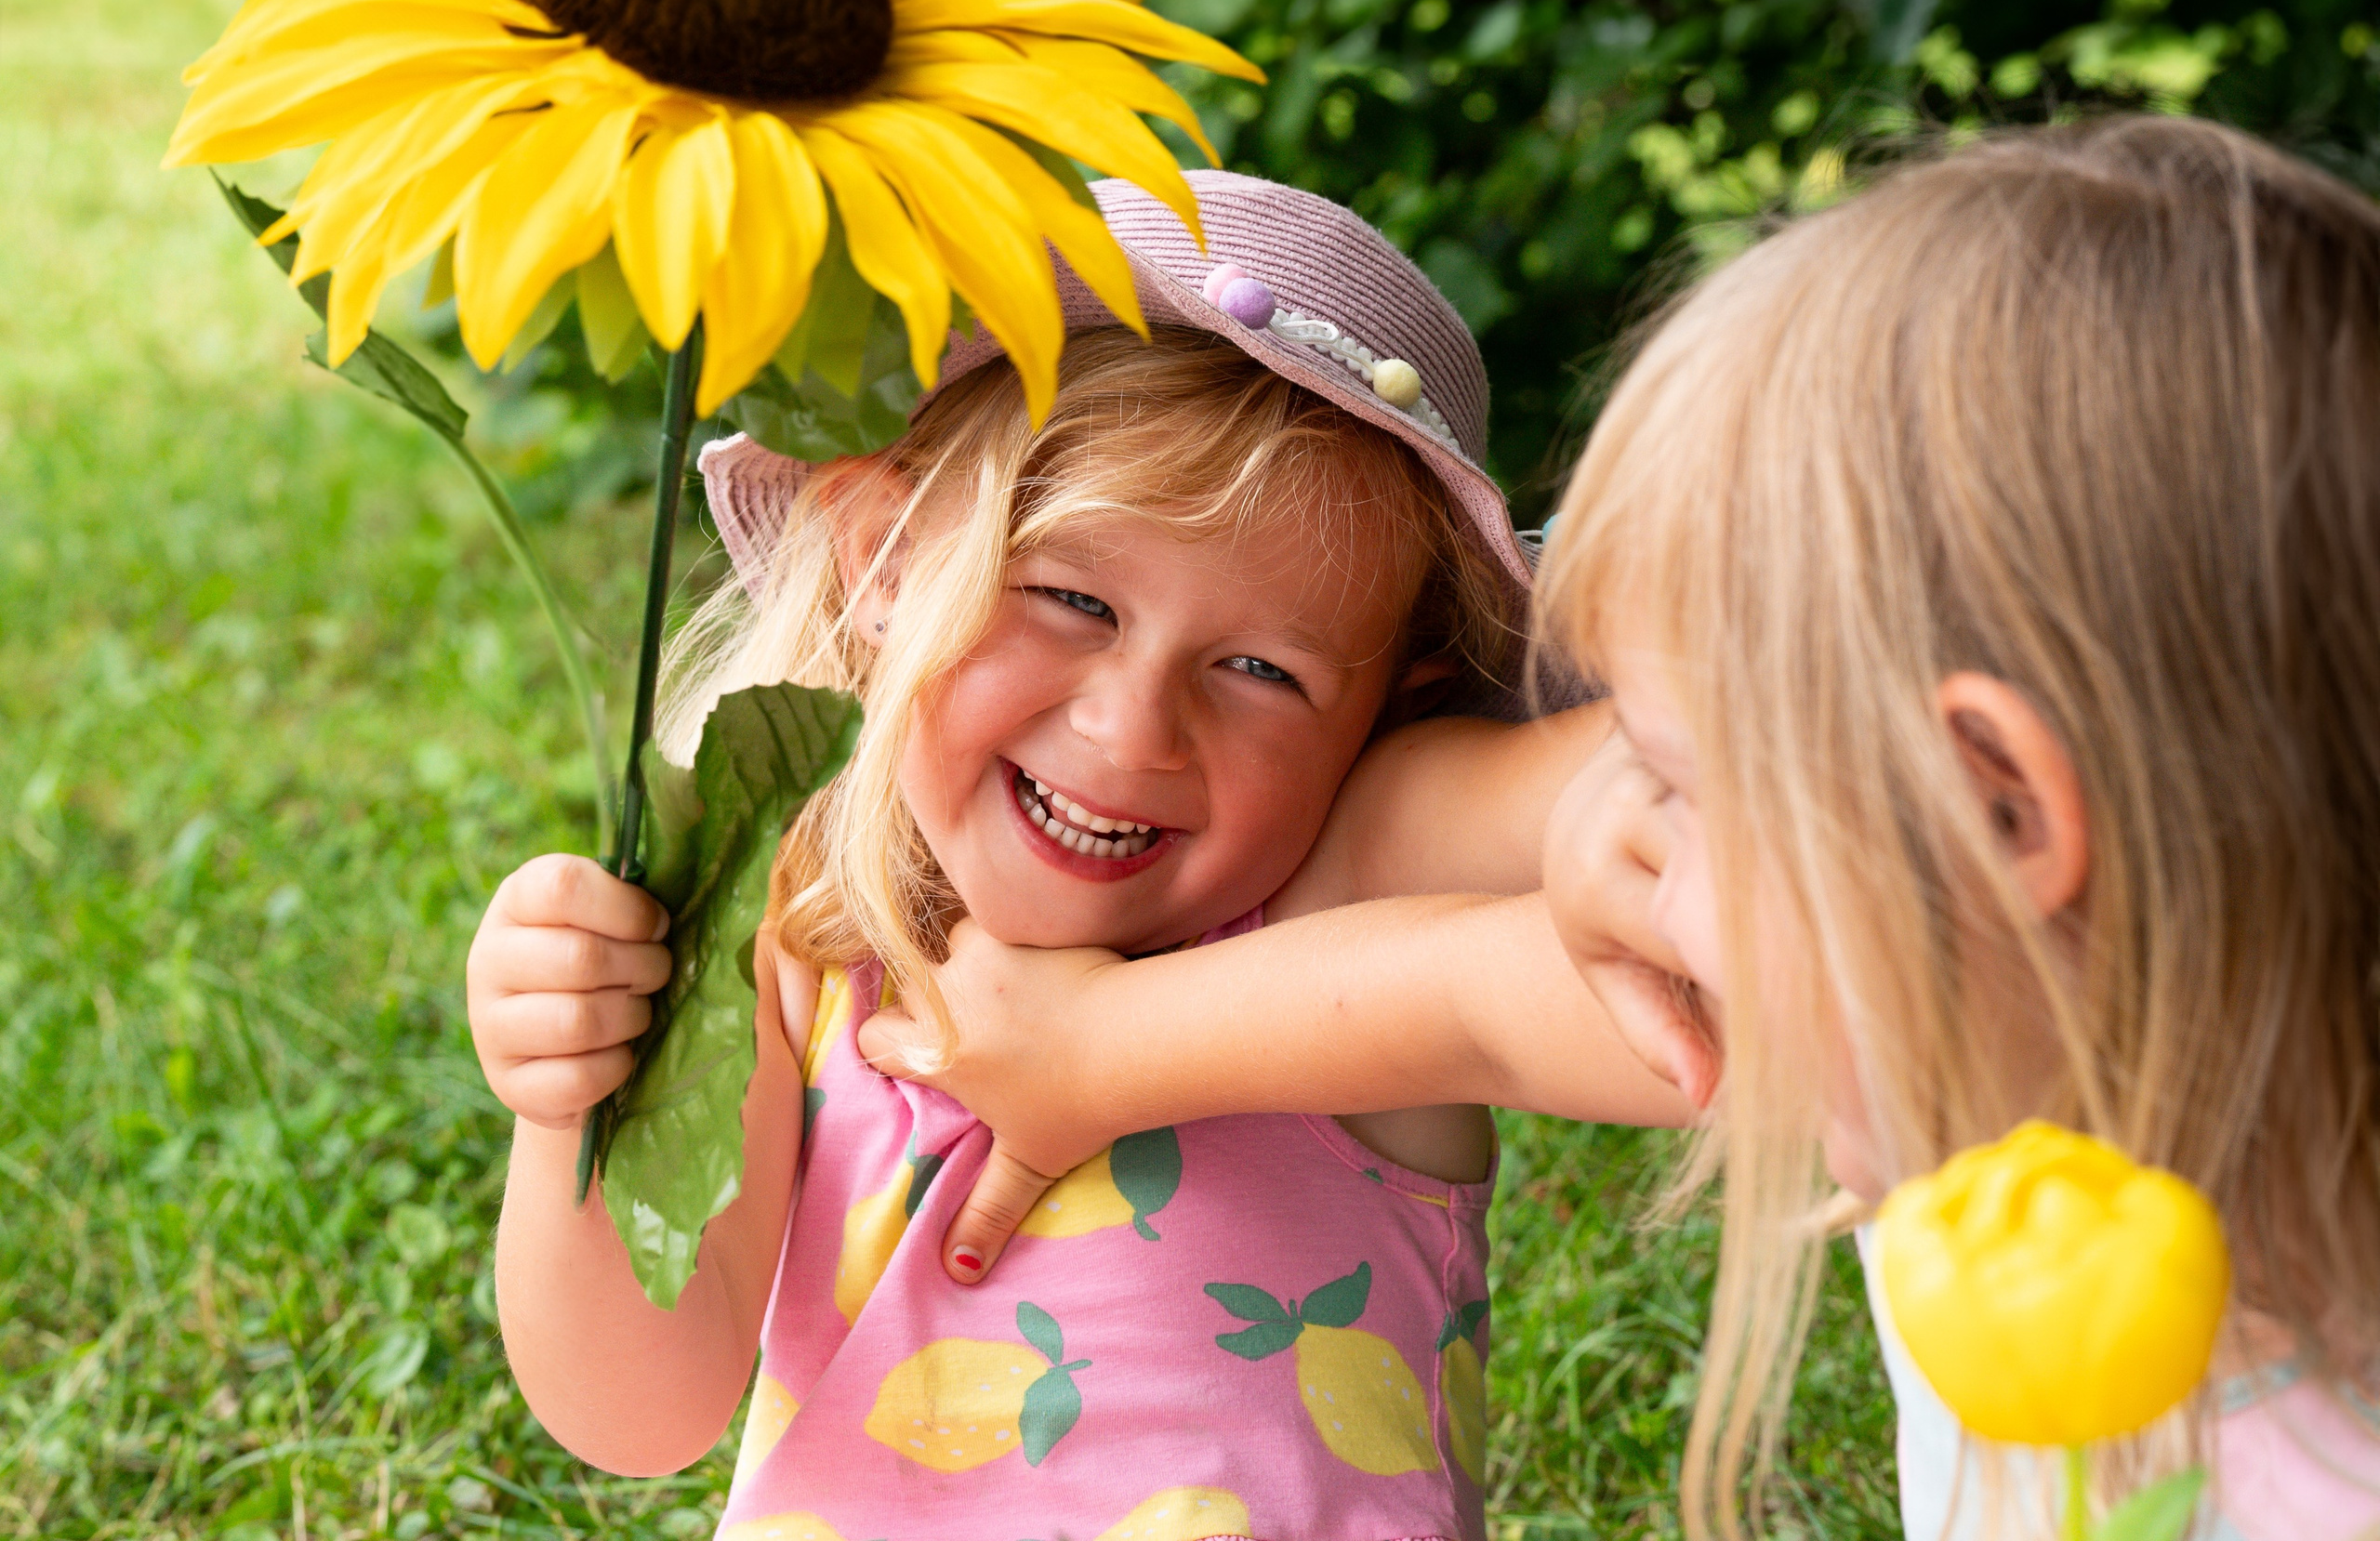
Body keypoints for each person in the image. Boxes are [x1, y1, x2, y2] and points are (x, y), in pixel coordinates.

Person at [866, 117, 2380, 1538]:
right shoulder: (1999, 1104)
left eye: (1664, 772)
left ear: (1997, 814)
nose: (1603, 844)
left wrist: (1098, 1055)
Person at [462, 170, 1685, 1541]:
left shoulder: (1348, 861)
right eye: (1071, 598)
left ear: (1396, 698)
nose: (1132, 725)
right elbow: (637, 1409)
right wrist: (565, 1095)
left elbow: (1720, 862)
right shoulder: (795, 924)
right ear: (885, 561)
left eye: (1261, 669)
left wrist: (1125, 1037)